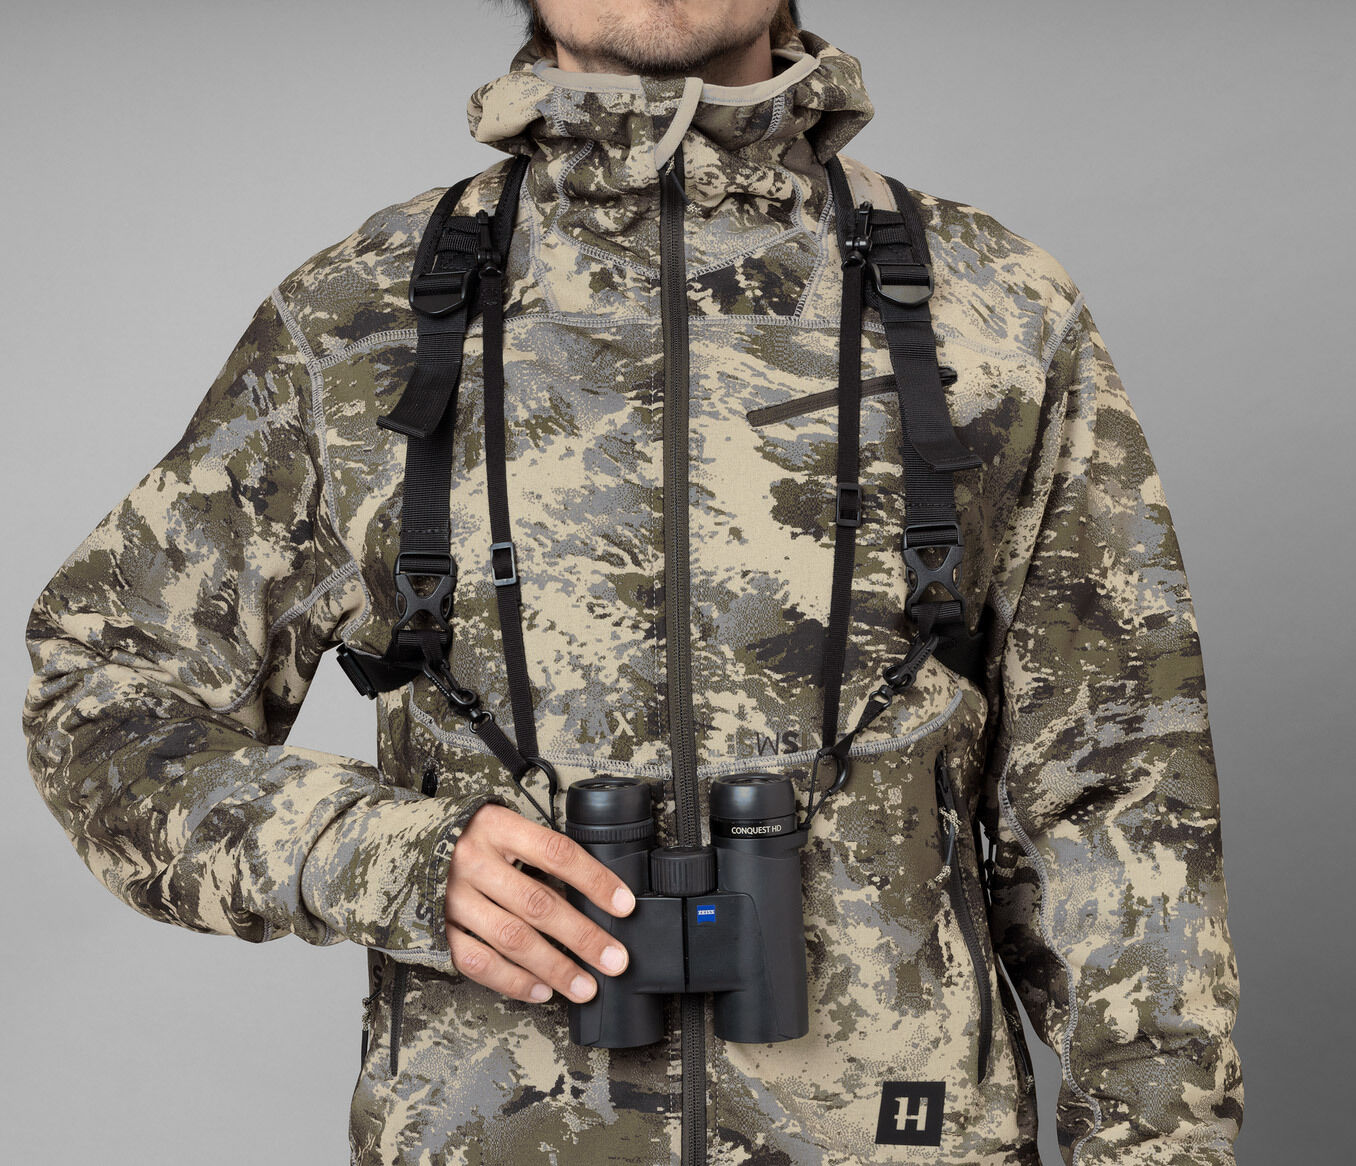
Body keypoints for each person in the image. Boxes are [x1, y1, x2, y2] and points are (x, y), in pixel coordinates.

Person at [20, 0, 1244, 1162]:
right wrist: (383, 855)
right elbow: (101, 693)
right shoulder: (355, 319)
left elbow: (1124, 803)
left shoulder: (1000, 312)